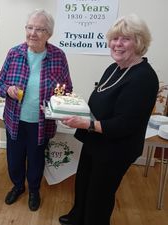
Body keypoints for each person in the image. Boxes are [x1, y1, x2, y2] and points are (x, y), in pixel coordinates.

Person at [59, 14, 159, 225]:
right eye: (114, 38)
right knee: (83, 182)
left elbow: (125, 123)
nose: (117, 44)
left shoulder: (144, 77)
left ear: (139, 42)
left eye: (125, 39)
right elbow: (100, 102)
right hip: (95, 140)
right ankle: (78, 216)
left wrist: (86, 123)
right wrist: (74, 106)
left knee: (100, 195)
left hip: (116, 149)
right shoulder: (113, 68)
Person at [0, 9, 72, 211]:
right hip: (15, 119)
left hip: (42, 121)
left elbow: (67, 89)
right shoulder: (15, 53)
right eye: (30, 28)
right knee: (14, 159)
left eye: (39, 29)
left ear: (49, 33)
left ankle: (34, 191)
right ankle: (18, 186)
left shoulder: (58, 56)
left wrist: (55, 102)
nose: (33, 33)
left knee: (37, 159)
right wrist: (8, 90)